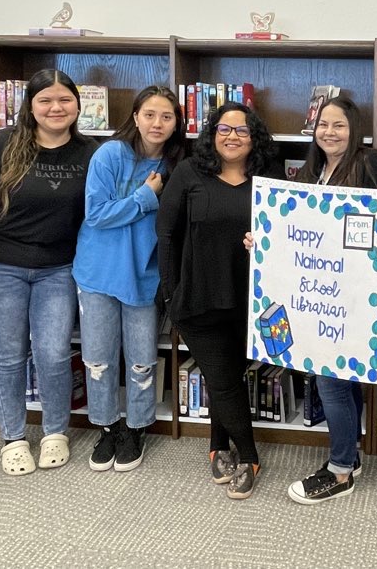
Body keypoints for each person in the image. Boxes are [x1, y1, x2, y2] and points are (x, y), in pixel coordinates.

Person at [0, 69, 98, 476]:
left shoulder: (91, 152)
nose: (56, 108)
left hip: (60, 269)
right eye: (45, 101)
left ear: (77, 104)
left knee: (54, 354)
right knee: (8, 355)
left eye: (64, 100)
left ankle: (55, 431)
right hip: (0, 267)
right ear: (30, 106)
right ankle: (13, 439)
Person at [157, 102, 278, 500]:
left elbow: (285, 236)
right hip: (199, 296)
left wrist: (266, 243)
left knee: (226, 376)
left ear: (254, 137)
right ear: (212, 134)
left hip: (253, 300)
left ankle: (216, 445)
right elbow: (167, 234)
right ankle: (249, 456)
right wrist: (171, 293)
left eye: (242, 131)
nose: (232, 137)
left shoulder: (268, 176)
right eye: (224, 129)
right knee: (224, 381)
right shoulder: (191, 172)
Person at [286, 96, 377, 505]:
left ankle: (339, 472)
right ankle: (349, 455)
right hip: (319, 293)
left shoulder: (368, 163)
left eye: (338, 125)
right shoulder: (313, 169)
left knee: (331, 380)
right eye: (322, 124)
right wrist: (266, 239)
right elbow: (296, 222)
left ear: (354, 129)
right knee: (338, 379)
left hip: (352, 294)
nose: (329, 132)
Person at [73, 86, 184, 473]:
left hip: (143, 275)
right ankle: (106, 426)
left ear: (176, 123)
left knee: (141, 361)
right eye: (150, 114)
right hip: (99, 273)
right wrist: (145, 196)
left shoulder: (177, 164)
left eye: (166, 117)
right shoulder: (109, 154)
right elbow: (97, 215)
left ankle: (135, 428)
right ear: (135, 116)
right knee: (99, 359)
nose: (157, 123)